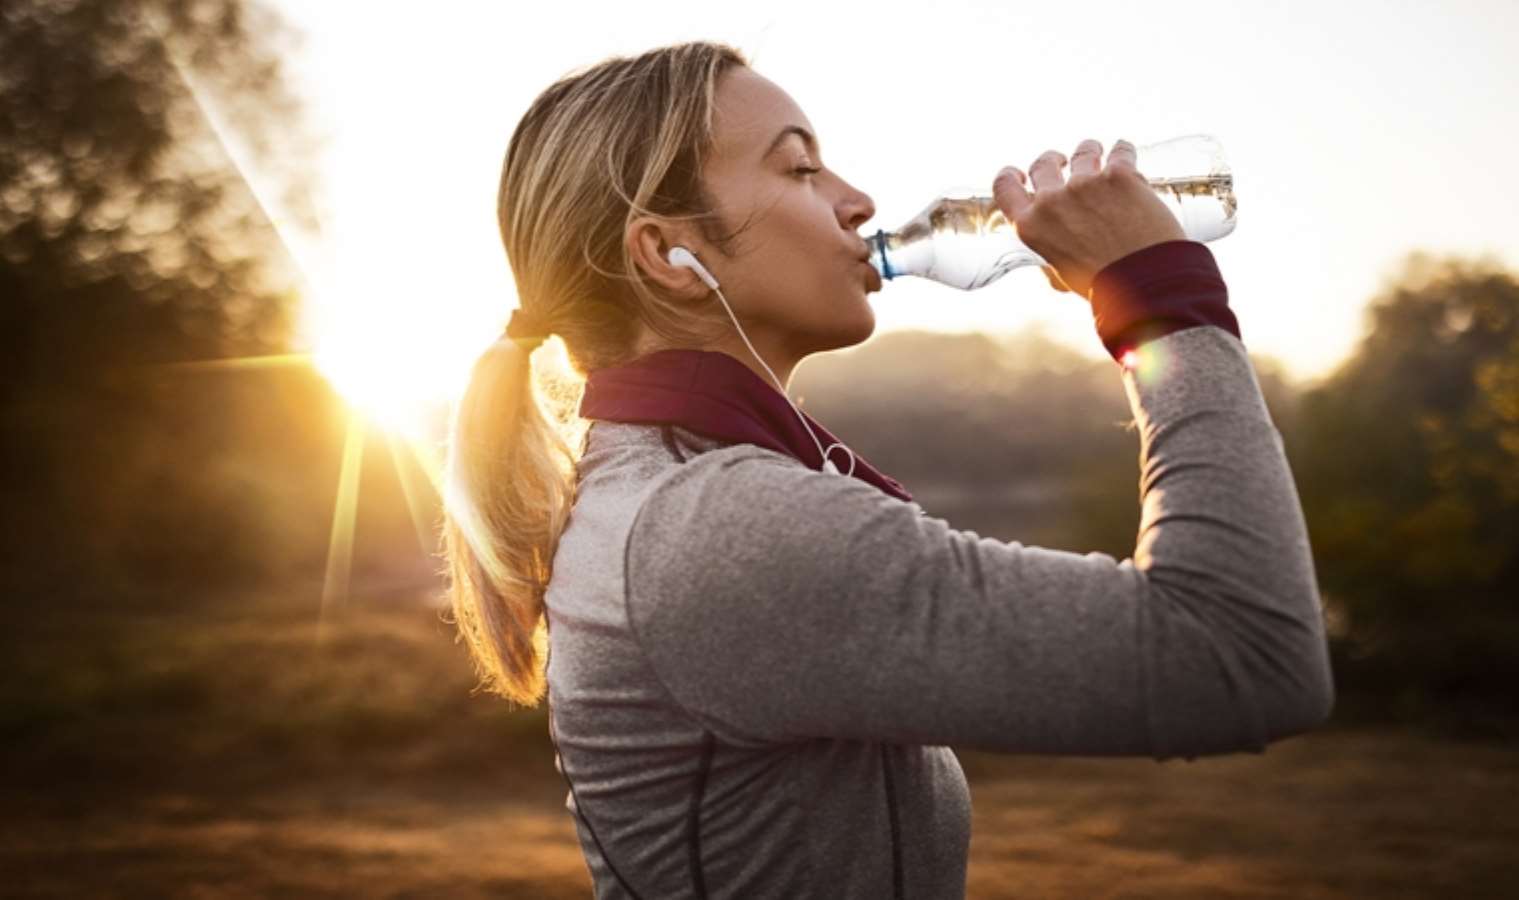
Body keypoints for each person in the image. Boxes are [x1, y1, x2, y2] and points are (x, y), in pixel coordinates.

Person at [441, 40, 1335, 900]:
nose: (858, 199)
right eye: (798, 169)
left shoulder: (680, 490)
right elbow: (1240, 653)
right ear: (670, 255)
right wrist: (1157, 294)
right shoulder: (716, 523)